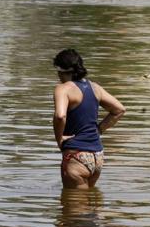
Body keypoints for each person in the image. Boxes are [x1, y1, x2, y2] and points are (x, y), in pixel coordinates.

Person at [52, 49, 126, 189]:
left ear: (60, 70)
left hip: (76, 157)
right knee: (90, 207)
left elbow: (60, 116)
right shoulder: (95, 88)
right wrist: (98, 130)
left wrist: (59, 139)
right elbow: (119, 110)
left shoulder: (63, 89)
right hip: (97, 157)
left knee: (73, 208)